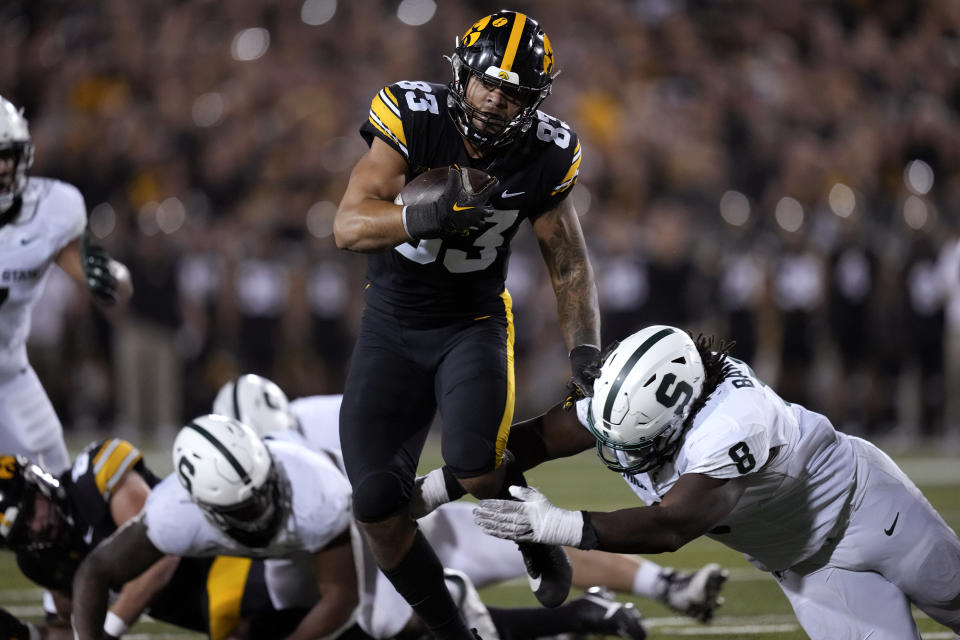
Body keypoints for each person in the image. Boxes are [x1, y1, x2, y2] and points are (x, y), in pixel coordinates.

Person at [333, 11, 601, 637]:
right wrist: (425, 218)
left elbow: (567, 261)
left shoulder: (546, 151)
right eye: (487, 82)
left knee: (476, 460)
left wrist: (585, 349)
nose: (494, 98)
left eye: (512, 92)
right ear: (462, 71)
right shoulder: (414, 115)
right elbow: (347, 226)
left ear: (532, 100)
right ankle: (451, 633)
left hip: (473, 321)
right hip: (392, 323)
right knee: (375, 504)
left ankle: (536, 539)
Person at [468, 325, 960, 640]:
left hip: (870, 513)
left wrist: (561, 524)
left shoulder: (733, 420)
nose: (624, 455)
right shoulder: (630, 402)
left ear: (679, 416)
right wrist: (434, 485)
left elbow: (672, 525)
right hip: (806, 570)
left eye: (639, 443)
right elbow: (529, 442)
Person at [71, 415, 648, 640]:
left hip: (346, 536)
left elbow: (340, 595)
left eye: (260, 492)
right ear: (208, 510)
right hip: (276, 563)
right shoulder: (173, 517)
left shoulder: (310, 496)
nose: (260, 508)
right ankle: (577, 615)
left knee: (390, 629)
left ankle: (571, 615)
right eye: (243, 508)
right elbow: (96, 570)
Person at [213, 373, 727, 624]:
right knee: (400, 627)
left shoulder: (329, 414)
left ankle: (668, 586)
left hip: (409, 529)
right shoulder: (248, 477)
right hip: (358, 560)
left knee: (533, 535)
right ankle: (576, 621)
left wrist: (421, 491)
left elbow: (398, 447)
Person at [0, 441, 284, 640]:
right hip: (213, 614)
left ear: (37, 483)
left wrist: (109, 631)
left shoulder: (95, 477)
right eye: (23, 530)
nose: (37, 525)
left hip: (235, 562)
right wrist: (27, 634)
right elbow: (77, 630)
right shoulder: (38, 562)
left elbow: (163, 552)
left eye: (30, 511)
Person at [0, 95, 132, 474]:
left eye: (9, 154)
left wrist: (111, 277)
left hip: (9, 375)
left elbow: (99, 270)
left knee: (57, 491)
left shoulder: (50, 208)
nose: (4, 167)